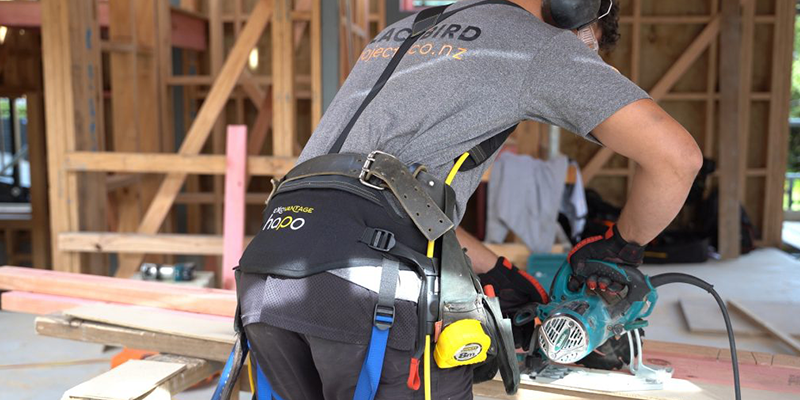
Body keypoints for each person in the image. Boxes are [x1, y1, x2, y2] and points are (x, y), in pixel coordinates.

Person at [228, 0, 703, 399]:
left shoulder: (403, 30)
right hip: (369, 289)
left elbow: (382, 194)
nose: (591, 60)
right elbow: (677, 158)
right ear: (575, 8)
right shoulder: (541, 42)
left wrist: (491, 269)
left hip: (268, 269)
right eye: (593, 44)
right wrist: (621, 246)